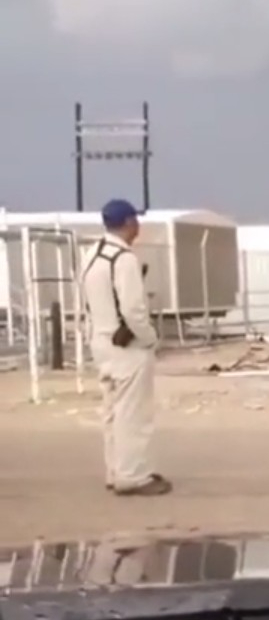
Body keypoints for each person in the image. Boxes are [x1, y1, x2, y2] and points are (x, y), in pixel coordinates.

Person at [80, 199, 172, 496]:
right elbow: (133, 310)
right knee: (133, 413)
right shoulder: (124, 259)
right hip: (126, 346)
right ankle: (134, 475)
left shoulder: (91, 254)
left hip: (101, 340)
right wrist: (149, 339)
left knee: (112, 412)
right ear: (130, 222)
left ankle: (116, 470)